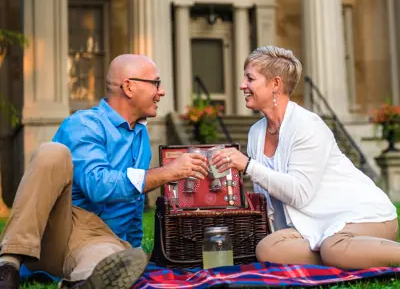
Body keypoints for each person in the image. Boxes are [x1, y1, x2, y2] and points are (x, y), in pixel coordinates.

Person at [0, 54, 208, 289]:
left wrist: (131, 246)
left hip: (99, 240)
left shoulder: (140, 135)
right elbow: (98, 186)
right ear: (129, 87)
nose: (161, 92)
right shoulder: (84, 125)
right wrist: (166, 173)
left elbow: (134, 205)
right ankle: (8, 264)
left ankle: (79, 283)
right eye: (156, 83)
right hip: (62, 227)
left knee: (111, 263)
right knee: (52, 153)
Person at [212, 45, 399, 269]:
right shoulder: (256, 133)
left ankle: (347, 252)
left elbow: (299, 193)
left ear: (275, 84)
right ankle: (351, 255)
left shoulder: (307, 125)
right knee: (268, 249)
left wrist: (248, 166)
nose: (243, 85)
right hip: (313, 225)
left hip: (363, 217)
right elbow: (270, 205)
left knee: (334, 247)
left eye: (250, 78)